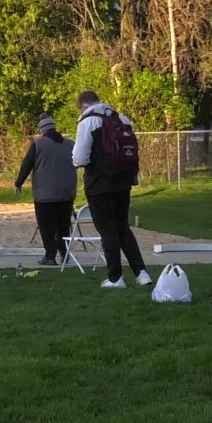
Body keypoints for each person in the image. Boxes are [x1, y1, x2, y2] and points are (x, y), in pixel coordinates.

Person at [72, 91, 152, 289]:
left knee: (107, 230)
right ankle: (141, 273)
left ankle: (115, 277)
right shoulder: (121, 118)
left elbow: (79, 158)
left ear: (83, 105)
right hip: (123, 181)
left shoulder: (88, 121)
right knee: (123, 227)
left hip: (99, 184)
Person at [15, 113, 77, 266]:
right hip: (66, 192)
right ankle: (64, 252)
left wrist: (18, 183)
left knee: (46, 226)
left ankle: (50, 256)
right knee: (63, 226)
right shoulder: (70, 144)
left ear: (42, 130)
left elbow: (27, 165)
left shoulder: (38, 145)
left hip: (45, 194)